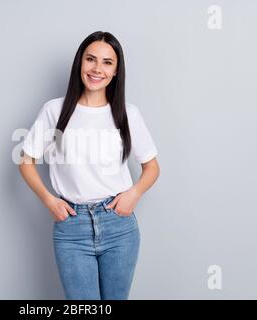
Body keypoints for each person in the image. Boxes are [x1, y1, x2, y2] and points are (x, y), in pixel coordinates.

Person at [18, 31, 160, 300]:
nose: (97, 69)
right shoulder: (54, 110)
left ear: (116, 70)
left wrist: (134, 194)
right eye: (90, 59)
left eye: (107, 62)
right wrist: (49, 200)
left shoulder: (128, 113)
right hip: (72, 228)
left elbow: (152, 167)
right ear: (79, 63)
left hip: (119, 226)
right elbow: (26, 162)